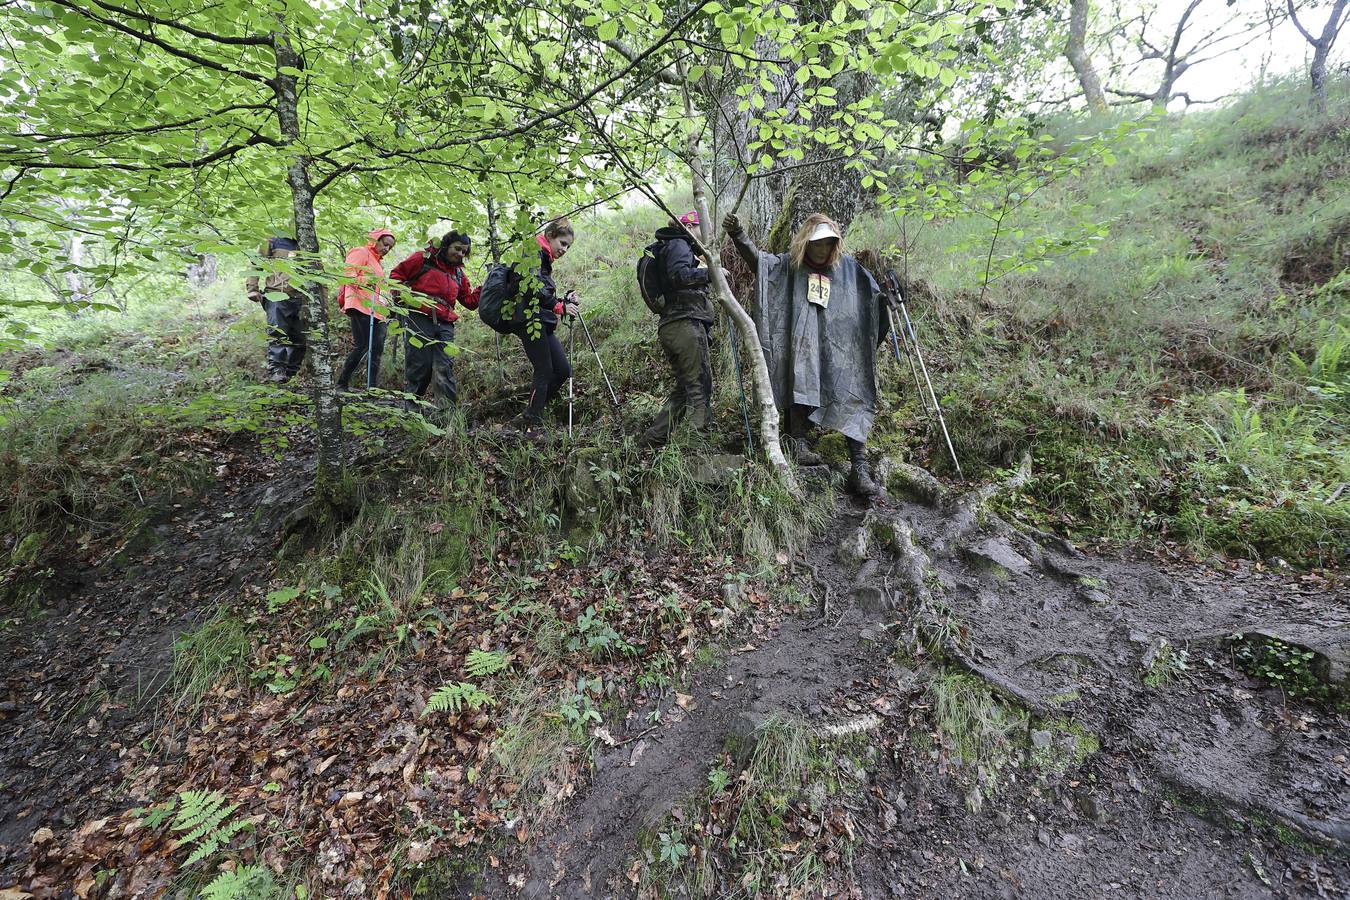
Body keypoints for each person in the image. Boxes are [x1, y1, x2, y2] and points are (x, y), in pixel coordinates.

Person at [724, 211, 886, 498]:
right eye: (817, 243)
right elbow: (758, 262)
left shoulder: (849, 270)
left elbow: (874, 302)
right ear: (805, 243)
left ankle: (858, 466)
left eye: (828, 243)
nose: (822, 249)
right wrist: (739, 235)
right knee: (801, 373)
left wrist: (886, 303)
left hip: (841, 348)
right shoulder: (789, 266)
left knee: (853, 389)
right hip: (805, 346)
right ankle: (798, 442)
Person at [638, 211, 718, 449]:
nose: (709, 235)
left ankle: (652, 440)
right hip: (685, 324)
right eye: (705, 229)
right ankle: (698, 445)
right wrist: (710, 273)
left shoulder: (669, 245)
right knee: (699, 384)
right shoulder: (679, 243)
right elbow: (679, 276)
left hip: (672, 326)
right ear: (692, 226)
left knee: (685, 388)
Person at [506, 218, 579, 436]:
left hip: (540, 321)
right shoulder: (533, 253)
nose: (564, 249)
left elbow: (539, 291)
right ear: (549, 236)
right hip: (530, 322)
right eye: (563, 243)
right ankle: (533, 424)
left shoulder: (543, 259)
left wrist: (563, 300)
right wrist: (559, 306)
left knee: (563, 370)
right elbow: (530, 291)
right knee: (545, 370)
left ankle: (531, 412)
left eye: (568, 246)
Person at [390, 231, 479, 411]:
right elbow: (396, 276)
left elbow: (469, 302)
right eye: (457, 248)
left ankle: (447, 415)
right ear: (446, 245)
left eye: (464, 251)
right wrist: (403, 297)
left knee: (444, 367)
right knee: (420, 365)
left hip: (445, 323)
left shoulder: (459, 275)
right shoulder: (423, 259)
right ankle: (412, 410)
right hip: (418, 317)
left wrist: (487, 289)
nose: (460, 254)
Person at [336, 228, 396, 390]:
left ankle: (372, 388)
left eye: (390, 247)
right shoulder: (360, 252)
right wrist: (366, 279)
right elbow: (347, 275)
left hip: (376, 309)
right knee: (362, 345)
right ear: (375, 239)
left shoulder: (377, 262)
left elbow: (378, 288)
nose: (386, 249)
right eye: (385, 244)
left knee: (377, 348)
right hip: (359, 304)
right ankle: (342, 383)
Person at [245, 236, 307, 383]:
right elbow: (257, 262)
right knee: (277, 332)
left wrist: (323, 305)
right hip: (276, 293)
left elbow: (319, 274)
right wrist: (252, 288)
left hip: (301, 298)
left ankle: (292, 374)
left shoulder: (307, 242)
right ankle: (276, 371)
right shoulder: (273, 241)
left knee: (300, 338)